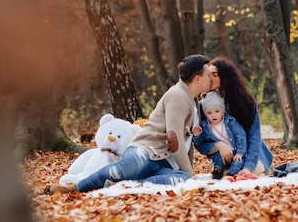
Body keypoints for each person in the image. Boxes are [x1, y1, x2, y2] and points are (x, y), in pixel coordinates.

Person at [48, 54, 212, 193]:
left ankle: (126, 186)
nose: (211, 78)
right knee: (122, 169)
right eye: (208, 75)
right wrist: (190, 172)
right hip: (146, 150)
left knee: (182, 179)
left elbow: (185, 138)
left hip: (163, 160)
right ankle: (76, 187)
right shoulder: (178, 95)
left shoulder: (192, 100)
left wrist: (188, 173)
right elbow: (173, 136)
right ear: (197, 78)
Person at [203, 57, 273, 176]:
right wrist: (218, 146)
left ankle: (264, 169)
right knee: (226, 175)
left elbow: (254, 139)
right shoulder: (204, 105)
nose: (209, 78)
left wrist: (248, 167)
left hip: (253, 153)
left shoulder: (246, 103)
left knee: (246, 174)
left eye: (214, 75)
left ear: (225, 78)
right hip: (227, 157)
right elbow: (202, 141)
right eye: (208, 75)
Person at [193, 91, 247, 179]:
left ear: (222, 111)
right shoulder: (204, 126)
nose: (213, 115)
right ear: (205, 113)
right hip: (220, 153)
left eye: (217, 111)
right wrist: (196, 135)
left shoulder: (231, 122)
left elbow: (240, 136)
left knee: (238, 161)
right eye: (209, 113)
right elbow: (200, 144)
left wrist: (240, 152)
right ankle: (218, 170)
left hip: (235, 150)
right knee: (219, 157)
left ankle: (232, 173)